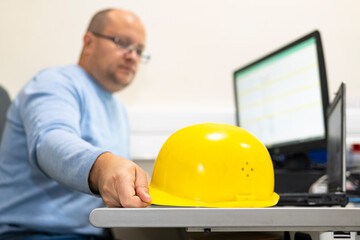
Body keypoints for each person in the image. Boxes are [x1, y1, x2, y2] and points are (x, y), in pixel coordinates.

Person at [0, 8, 152, 239]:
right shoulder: (55, 82)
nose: (132, 55)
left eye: (139, 50)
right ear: (89, 42)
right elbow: (51, 141)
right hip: (34, 233)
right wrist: (102, 166)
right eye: (122, 43)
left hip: (90, 233)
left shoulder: (118, 109)